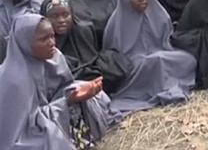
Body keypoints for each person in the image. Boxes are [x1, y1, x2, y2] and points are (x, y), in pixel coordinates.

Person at [0, 14, 121, 149]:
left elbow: (64, 87)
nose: (52, 43)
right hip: (26, 134)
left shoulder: (54, 57)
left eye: (52, 36)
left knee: (85, 92)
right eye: (44, 39)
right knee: (48, 135)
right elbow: (22, 130)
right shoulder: (14, 79)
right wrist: (66, 102)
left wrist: (78, 93)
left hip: (50, 112)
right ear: (25, 43)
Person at [102, 0, 196, 115]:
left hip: (162, 53)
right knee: (154, 61)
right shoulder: (115, 24)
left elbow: (167, 43)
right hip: (134, 64)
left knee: (188, 59)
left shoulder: (159, 14)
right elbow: (114, 58)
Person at [42, 0, 132, 94]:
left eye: (65, 15)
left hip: (88, 72)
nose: (61, 20)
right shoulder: (42, 39)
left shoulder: (83, 29)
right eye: (54, 16)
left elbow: (91, 59)